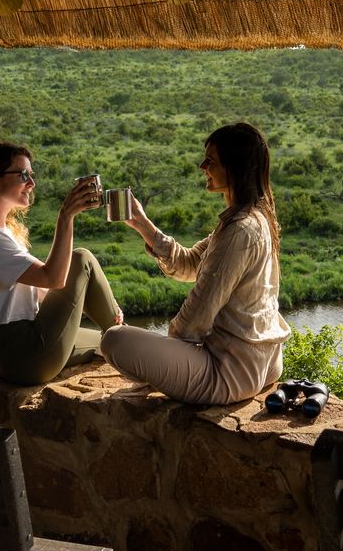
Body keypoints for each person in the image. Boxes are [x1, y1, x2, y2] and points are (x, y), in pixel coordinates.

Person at [101, 122, 290, 404]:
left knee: (114, 340)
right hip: (263, 363)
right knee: (134, 343)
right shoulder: (252, 217)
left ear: (234, 167)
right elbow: (189, 264)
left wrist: (167, 353)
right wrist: (141, 222)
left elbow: (198, 313)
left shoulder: (240, 229)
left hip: (230, 372)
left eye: (210, 161)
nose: (202, 166)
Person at [0, 141, 123, 386]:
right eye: (23, 175)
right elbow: (54, 279)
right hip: (26, 353)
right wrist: (66, 216)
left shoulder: (1, 231)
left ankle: (121, 334)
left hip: (11, 357)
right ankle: (131, 341)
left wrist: (108, 308)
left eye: (32, 175)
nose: (32, 183)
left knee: (107, 342)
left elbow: (43, 290)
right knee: (82, 258)